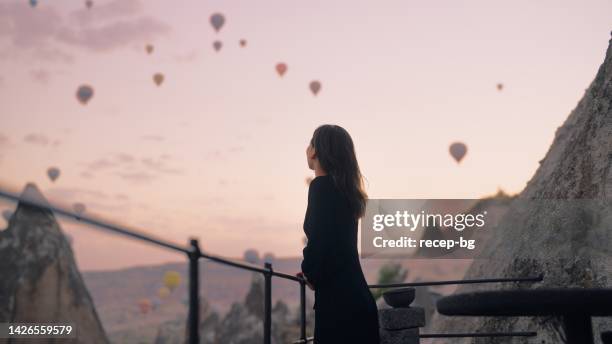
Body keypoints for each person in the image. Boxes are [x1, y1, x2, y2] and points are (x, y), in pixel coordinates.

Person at [297, 124, 380, 343]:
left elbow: (320, 242)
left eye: (310, 143)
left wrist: (309, 272)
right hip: (358, 300)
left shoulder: (321, 187)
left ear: (315, 151)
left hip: (339, 307)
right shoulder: (346, 192)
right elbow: (337, 244)